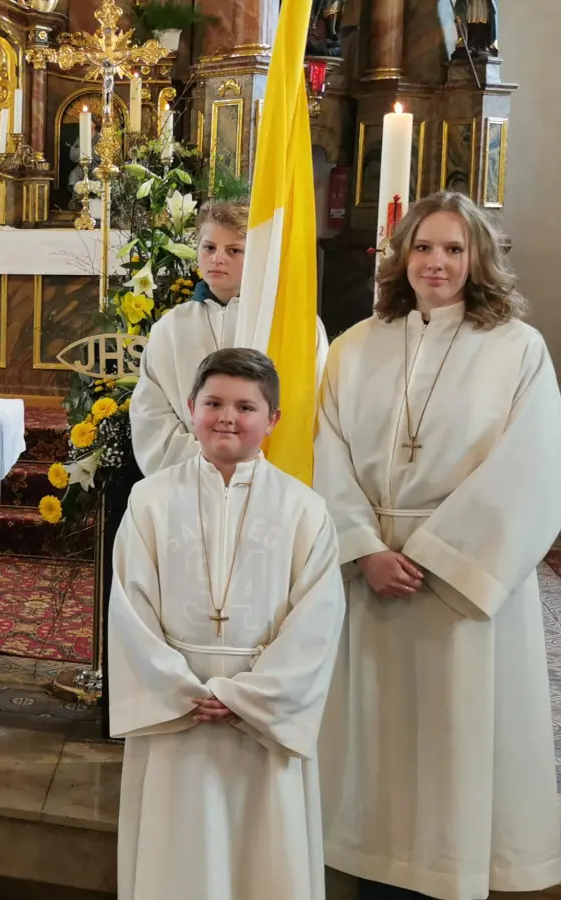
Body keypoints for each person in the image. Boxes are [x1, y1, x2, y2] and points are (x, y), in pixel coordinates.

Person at [315, 192, 561, 900]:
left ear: (478, 258)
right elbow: (325, 451)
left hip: (456, 584)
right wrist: (361, 547)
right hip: (369, 574)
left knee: (452, 745)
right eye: (423, 247)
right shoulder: (357, 346)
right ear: (402, 257)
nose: (437, 262)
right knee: (373, 746)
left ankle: (447, 875)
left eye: (454, 249)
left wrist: (434, 557)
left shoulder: (517, 348)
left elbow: (532, 469)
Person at [108, 348, 345, 900]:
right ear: (190, 408)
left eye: (246, 406)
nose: (228, 418)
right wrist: (181, 688)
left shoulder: (304, 510)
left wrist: (248, 697)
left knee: (262, 859)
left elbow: (317, 621)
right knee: (179, 856)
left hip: (260, 721)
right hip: (178, 711)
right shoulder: (149, 501)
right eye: (213, 402)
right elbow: (131, 606)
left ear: (274, 419)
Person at [130, 202, 329, 476]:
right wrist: (204, 466)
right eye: (209, 247)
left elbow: (312, 406)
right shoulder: (171, 328)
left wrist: (256, 468)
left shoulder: (296, 326)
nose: (217, 258)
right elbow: (151, 414)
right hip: (187, 480)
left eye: (234, 250)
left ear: (259, 255)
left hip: (271, 481)